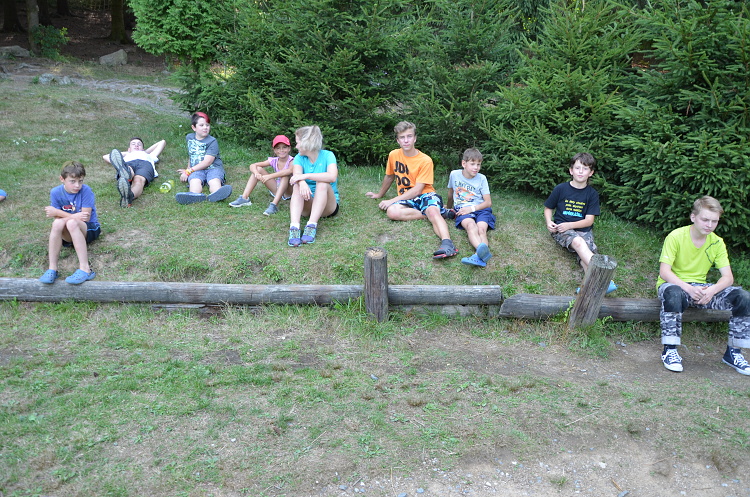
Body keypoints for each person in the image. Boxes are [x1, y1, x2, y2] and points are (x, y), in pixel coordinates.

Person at [657, 196, 750, 375]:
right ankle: (669, 350)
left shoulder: (717, 242)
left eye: (714, 221)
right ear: (693, 217)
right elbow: (664, 272)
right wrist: (688, 288)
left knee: (743, 297)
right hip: (674, 285)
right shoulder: (676, 236)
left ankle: (733, 352)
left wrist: (712, 291)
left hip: (702, 289)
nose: (709, 225)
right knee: (674, 293)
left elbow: (728, 278)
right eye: (705, 219)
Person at [365, 121, 457, 259]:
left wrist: (391, 200)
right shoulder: (393, 155)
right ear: (398, 140)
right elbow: (389, 176)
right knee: (392, 212)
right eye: (402, 137)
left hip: (425, 194)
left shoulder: (425, 160)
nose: (406, 140)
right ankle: (441, 212)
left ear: (415, 138)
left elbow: (418, 190)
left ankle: (448, 245)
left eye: (409, 136)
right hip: (406, 198)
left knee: (432, 211)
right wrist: (379, 194)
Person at [543, 152, 616, 293]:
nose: (581, 171)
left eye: (585, 168)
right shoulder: (560, 189)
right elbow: (548, 208)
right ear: (571, 171)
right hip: (562, 229)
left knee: (586, 255)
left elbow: (589, 220)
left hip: (583, 229)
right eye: (577, 168)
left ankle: (592, 287)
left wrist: (571, 225)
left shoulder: (592, 194)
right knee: (578, 243)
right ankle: (605, 279)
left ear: (591, 173)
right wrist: (549, 222)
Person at [38, 161, 101, 285]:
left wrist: (59, 212)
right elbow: (57, 218)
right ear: (62, 179)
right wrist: (73, 216)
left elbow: (85, 217)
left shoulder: (86, 190)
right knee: (57, 224)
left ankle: (85, 269)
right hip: (68, 233)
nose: (77, 185)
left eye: (80, 181)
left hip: (89, 229)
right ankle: (52, 268)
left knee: (72, 223)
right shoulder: (55, 192)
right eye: (72, 181)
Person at [286, 125, 339, 246]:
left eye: (297, 142)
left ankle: (311, 226)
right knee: (297, 185)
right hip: (307, 204)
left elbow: (332, 177)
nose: (296, 146)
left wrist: (306, 176)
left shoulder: (328, 155)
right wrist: (301, 182)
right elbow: (296, 176)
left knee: (322, 183)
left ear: (306, 143)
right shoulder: (299, 158)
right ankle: (294, 227)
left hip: (328, 207)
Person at [447, 148, 495, 267]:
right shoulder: (454, 174)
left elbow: (488, 202)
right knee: (471, 226)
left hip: (481, 209)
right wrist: (448, 208)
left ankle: (478, 256)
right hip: (463, 210)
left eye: (478, 164)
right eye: (472, 164)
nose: (476, 167)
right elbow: (450, 194)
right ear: (464, 163)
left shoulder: (482, 178)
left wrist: (472, 209)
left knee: (481, 230)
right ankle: (483, 254)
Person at [229, 134, 294, 215]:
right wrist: (257, 173)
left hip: (288, 191)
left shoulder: (292, 160)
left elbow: (289, 171)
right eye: (278, 148)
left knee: (285, 176)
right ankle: (244, 197)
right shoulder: (274, 160)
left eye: (284, 147)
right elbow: (253, 165)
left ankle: (274, 205)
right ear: (274, 150)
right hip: (277, 188)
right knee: (258, 169)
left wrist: (269, 176)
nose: (281, 150)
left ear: (289, 148)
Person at [176, 112, 232, 204]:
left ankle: (217, 194)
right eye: (201, 125)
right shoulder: (189, 138)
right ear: (194, 127)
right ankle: (194, 195)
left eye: (207, 125)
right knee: (194, 181)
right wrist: (188, 169)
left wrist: (189, 171)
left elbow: (207, 162)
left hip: (213, 168)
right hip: (196, 169)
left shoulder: (212, 141)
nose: (205, 127)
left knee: (214, 180)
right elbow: (192, 155)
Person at [103, 137, 166, 207]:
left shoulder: (150, 155)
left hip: (144, 164)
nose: (136, 145)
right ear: (129, 149)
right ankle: (127, 174)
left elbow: (162, 142)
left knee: (139, 180)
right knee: (128, 169)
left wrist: (144, 152)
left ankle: (129, 196)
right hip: (128, 163)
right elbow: (106, 156)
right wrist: (128, 153)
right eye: (133, 144)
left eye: (139, 144)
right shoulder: (126, 156)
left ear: (143, 148)